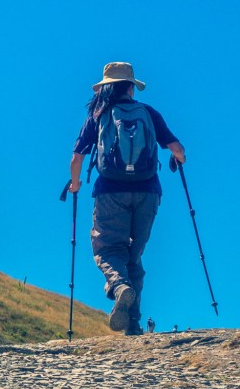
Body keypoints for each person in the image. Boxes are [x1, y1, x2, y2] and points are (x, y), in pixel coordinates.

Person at [68, 62, 185, 336]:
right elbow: (178, 149)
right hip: (148, 192)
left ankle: (119, 286)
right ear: (131, 88)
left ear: (106, 88)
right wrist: (177, 160)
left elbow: (77, 158)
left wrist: (75, 184)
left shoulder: (99, 115)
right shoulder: (149, 113)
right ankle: (132, 324)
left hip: (110, 191)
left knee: (107, 249)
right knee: (134, 255)